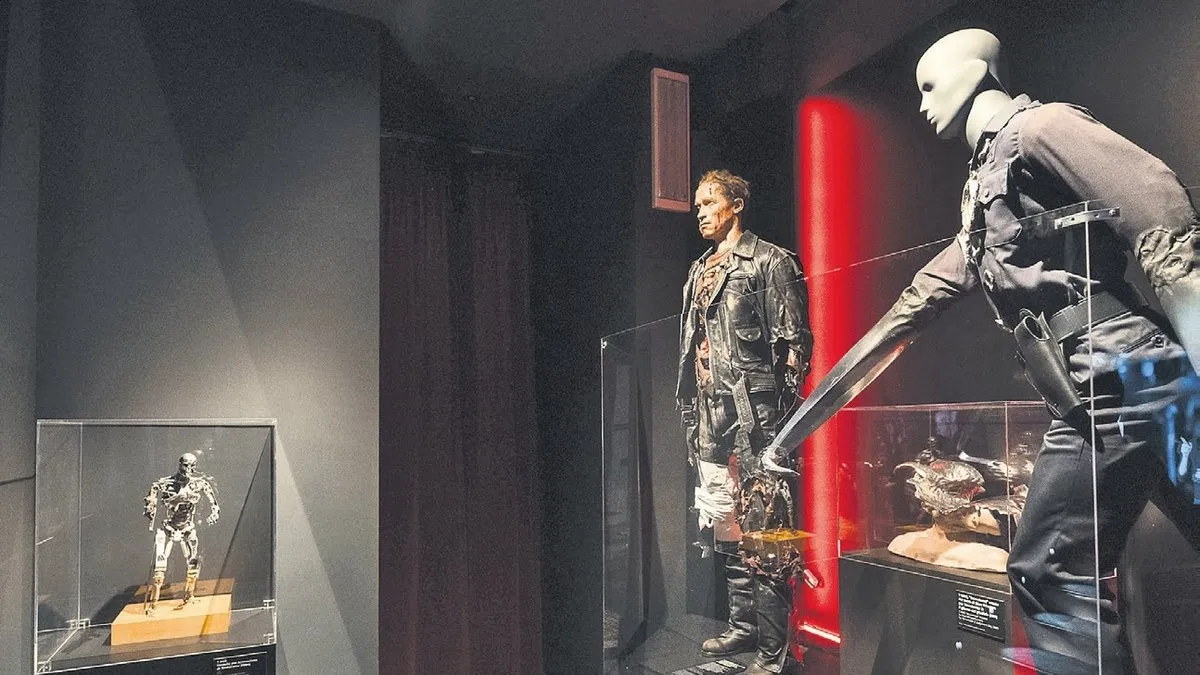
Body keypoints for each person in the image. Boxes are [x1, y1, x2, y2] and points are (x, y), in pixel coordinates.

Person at [765, 28, 1200, 674]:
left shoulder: (1041, 129)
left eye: (929, 84)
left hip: (1125, 378)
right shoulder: (982, 204)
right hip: (1100, 392)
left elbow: (1159, 208)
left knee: (1046, 567)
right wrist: (792, 434)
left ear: (974, 73)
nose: (921, 103)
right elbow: (908, 312)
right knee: (1067, 567)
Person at [677, 169, 812, 674]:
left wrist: (780, 424)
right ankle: (744, 626)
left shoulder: (770, 261)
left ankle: (773, 651)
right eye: (697, 205)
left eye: (709, 202)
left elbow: (796, 344)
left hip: (757, 416)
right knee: (725, 522)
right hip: (709, 413)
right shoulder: (698, 271)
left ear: (736, 205)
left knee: (766, 523)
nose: (700, 212)